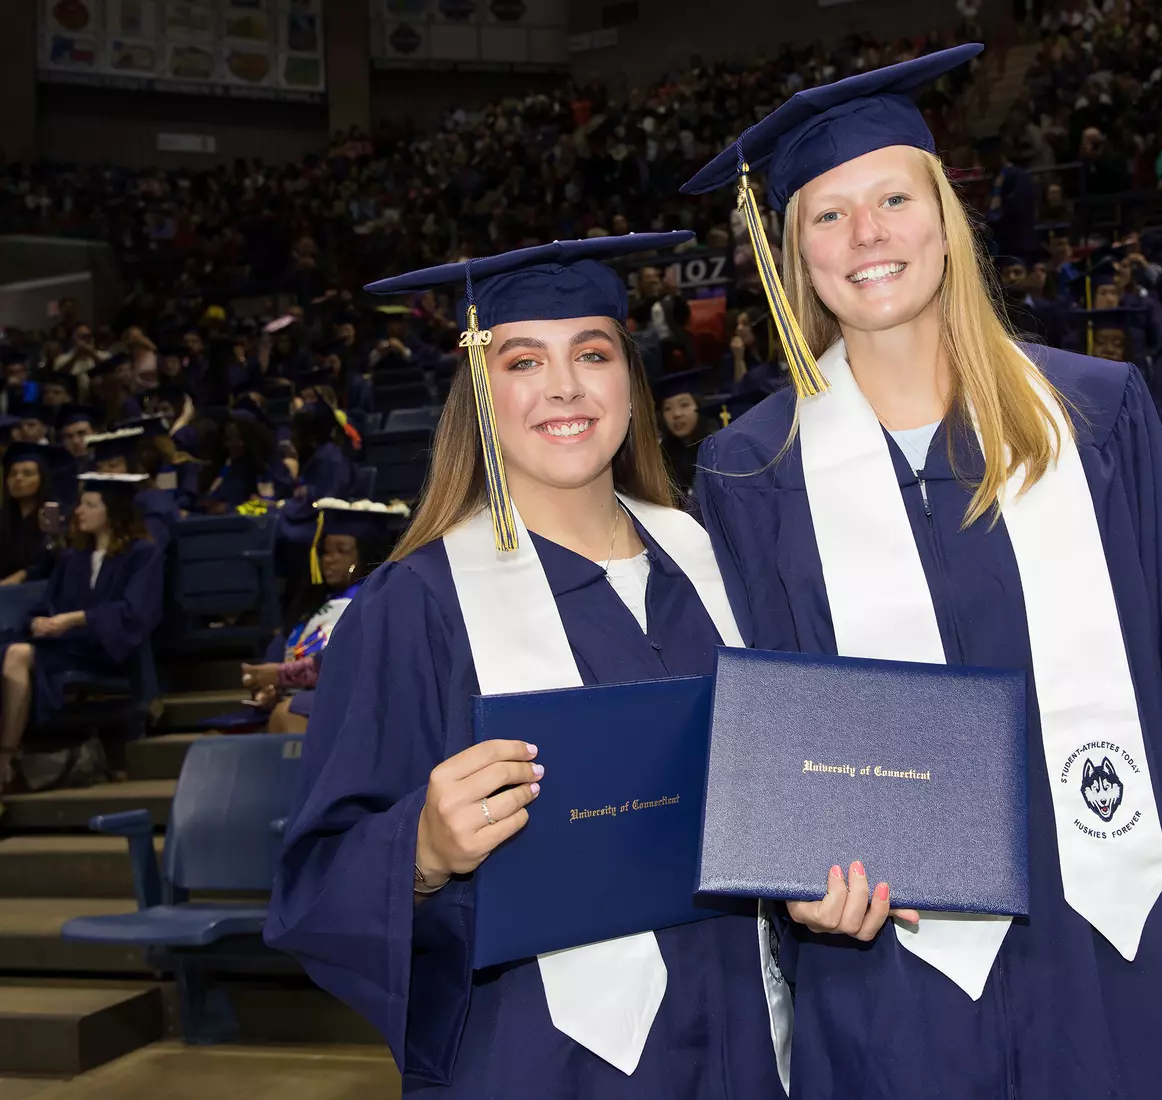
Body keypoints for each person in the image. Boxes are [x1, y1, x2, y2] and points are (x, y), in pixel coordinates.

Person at [682, 44, 1162, 1100]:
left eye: (891, 197)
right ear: (792, 256)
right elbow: (757, 734)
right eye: (827, 215)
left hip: (1110, 944)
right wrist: (793, 882)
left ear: (946, 215)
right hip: (883, 974)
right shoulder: (750, 470)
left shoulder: (1093, 416)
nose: (866, 235)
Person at [265, 234, 789, 1099]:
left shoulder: (717, 563)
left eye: (592, 352)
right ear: (480, 390)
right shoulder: (416, 605)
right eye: (522, 361)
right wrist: (423, 850)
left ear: (630, 378)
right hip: (543, 1062)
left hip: (753, 1040)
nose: (564, 387)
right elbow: (315, 881)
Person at [0, 474, 164, 791]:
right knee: (12, 649)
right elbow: (47, 603)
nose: (79, 512)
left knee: (18, 653)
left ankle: (5, 757)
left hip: (108, 651)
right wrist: (37, 622)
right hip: (66, 648)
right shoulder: (73, 558)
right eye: (80, 504)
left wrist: (74, 619)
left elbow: (135, 612)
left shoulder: (142, 554)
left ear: (113, 511)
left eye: (90, 505)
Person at [242, 499, 405, 734]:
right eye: (326, 552)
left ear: (366, 554)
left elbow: (350, 666)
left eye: (342, 551)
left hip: (353, 705)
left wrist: (281, 677)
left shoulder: (379, 603)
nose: (329, 559)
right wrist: (267, 689)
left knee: (289, 714)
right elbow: (275, 659)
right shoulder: (311, 605)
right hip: (305, 703)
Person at [274, 403, 357, 565]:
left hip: (323, 522)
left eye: (295, 432)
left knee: (273, 527)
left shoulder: (331, 458)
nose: (291, 437)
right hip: (308, 517)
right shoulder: (318, 455)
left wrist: (284, 507)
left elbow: (325, 501)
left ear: (311, 436)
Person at [201, 412, 293, 514]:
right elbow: (211, 502)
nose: (231, 444)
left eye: (238, 438)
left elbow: (284, 503)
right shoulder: (225, 467)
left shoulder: (272, 467)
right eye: (227, 439)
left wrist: (233, 509)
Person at [0, 444, 65, 585]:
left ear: (42, 479)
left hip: (42, 590)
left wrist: (22, 575)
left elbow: (54, 562)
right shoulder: (4, 516)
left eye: (27, 473)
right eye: (12, 473)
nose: (18, 479)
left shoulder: (56, 514)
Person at [654, 369, 713, 507]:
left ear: (699, 406)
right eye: (668, 408)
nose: (676, 414)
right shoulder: (662, 455)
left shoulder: (714, 449)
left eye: (684, 404)